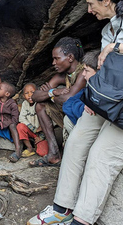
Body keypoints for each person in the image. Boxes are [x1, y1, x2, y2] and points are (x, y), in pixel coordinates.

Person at [27, 0, 123, 225]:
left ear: (107, 1)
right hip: (108, 102)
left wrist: (115, 47)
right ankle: (61, 208)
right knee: (77, 141)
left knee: (100, 156)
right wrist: (94, 97)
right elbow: (105, 72)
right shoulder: (106, 30)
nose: (89, 11)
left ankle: (81, 222)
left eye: (91, 4)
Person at [29, 37, 86, 167]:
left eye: (57, 58)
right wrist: (53, 92)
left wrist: (52, 95)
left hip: (83, 116)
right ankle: (54, 154)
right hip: (69, 112)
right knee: (40, 105)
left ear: (70, 57)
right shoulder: (62, 75)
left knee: (50, 102)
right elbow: (36, 96)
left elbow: (68, 98)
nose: (53, 63)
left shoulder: (83, 72)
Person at [62, 50, 99, 135]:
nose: (83, 74)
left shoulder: (102, 94)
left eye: (87, 70)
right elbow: (67, 105)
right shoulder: (88, 89)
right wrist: (82, 106)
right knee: (67, 119)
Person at [17, 83, 49, 158]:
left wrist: (41, 137)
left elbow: (50, 122)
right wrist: (33, 129)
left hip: (43, 133)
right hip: (32, 131)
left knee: (43, 153)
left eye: (32, 92)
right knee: (20, 126)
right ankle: (29, 147)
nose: (30, 95)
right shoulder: (25, 104)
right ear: (23, 96)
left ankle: (38, 144)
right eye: (26, 93)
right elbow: (21, 118)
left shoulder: (41, 104)